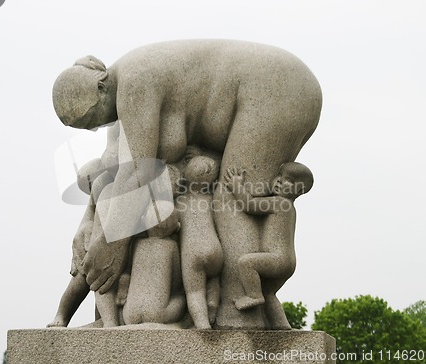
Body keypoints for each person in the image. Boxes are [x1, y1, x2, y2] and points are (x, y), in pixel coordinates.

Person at [52, 40, 322, 328]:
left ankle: (240, 318)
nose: (97, 127)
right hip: (279, 85)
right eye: (86, 126)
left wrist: (111, 241)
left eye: (93, 118)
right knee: (229, 194)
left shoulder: (134, 82)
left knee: (233, 194)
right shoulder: (122, 95)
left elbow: (137, 172)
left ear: (101, 88)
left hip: (272, 89)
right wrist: (88, 221)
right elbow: (114, 171)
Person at [47, 123, 124, 328]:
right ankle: (63, 315)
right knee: (84, 281)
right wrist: (86, 229)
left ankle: (105, 322)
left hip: (116, 242)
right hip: (98, 246)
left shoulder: (116, 185)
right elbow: (90, 215)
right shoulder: (102, 187)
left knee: (96, 281)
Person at [224, 162, 313, 329]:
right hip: (288, 262)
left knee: (246, 263)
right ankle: (282, 326)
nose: (279, 181)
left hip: (277, 259)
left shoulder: (279, 203)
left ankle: (254, 295)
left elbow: (249, 205)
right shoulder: (290, 208)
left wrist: (236, 185)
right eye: (279, 176)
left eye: (288, 180)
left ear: (299, 191)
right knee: (270, 294)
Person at [177, 155, 223, 329]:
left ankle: (202, 323)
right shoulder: (211, 200)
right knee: (214, 279)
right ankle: (212, 305)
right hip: (215, 250)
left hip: (193, 253)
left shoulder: (180, 202)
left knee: (195, 291)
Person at [122, 203, 186, 325]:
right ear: (176, 226)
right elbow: (176, 281)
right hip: (157, 315)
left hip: (129, 315)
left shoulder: (137, 244)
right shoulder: (171, 246)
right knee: (181, 298)